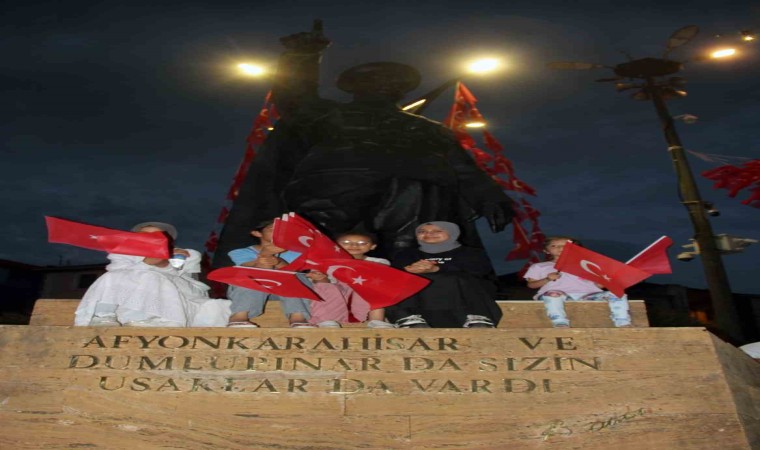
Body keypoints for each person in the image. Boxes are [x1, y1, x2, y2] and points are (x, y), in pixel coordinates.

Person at [214, 21, 515, 268]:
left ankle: (407, 295)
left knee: (408, 243)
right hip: (331, 189)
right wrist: (303, 55)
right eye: (374, 83)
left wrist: (490, 197)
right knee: (318, 243)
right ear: (355, 89)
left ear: (399, 92)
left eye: (391, 85)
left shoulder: (425, 127)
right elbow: (294, 97)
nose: (383, 88)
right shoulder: (328, 113)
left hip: (409, 193)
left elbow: (461, 167)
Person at [74, 222, 231, 327]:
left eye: (157, 235)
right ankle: (103, 316)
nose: (150, 238)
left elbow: (183, 275)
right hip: (132, 291)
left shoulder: (185, 254)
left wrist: (164, 262)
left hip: (179, 293)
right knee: (124, 277)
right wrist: (147, 263)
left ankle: (158, 317)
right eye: (145, 235)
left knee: (222, 307)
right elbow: (118, 273)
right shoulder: (122, 253)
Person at [385, 221, 502, 328]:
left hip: (459, 300)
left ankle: (478, 317)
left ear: (452, 233)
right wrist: (409, 270)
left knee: (460, 278)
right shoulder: (406, 254)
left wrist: (437, 269)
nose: (429, 234)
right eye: (422, 231)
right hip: (421, 302)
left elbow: (480, 270)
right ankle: (407, 317)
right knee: (398, 280)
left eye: (437, 231)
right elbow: (397, 271)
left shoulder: (471, 253)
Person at [524, 236, 632, 328]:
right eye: (554, 246)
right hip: (556, 295)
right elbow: (531, 285)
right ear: (546, 251)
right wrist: (547, 279)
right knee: (553, 294)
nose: (560, 248)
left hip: (587, 295)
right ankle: (560, 322)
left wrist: (607, 281)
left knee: (616, 293)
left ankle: (622, 321)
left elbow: (598, 285)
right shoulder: (539, 266)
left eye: (566, 246)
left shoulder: (587, 265)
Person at [226, 219, 315, 328]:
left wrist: (278, 262)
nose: (278, 232)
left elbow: (295, 272)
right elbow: (251, 268)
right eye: (272, 229)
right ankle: (239, 317)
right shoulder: (241, 252)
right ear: (257, 233)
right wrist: (265, 255)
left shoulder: (298, 252)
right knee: (247, 274)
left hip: (283, 293)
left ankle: (297, 317)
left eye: (282, 229)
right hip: (252, 292)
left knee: (297, 276)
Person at [305, 231, 395, 328]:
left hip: (361, 298)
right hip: (337, 297)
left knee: (373, 285)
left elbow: (382, 274)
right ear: (335, 245)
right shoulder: (324, 262)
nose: (354, 245)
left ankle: (376, 320)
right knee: (326, 287)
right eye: (346, 242)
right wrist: (320, 278)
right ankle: (326, 320)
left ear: (372, 246)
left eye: (362, 243)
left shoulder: (379, 262)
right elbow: (321, 284)